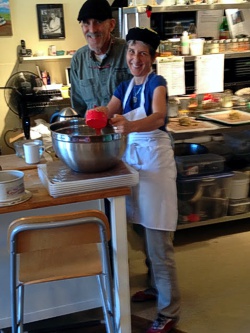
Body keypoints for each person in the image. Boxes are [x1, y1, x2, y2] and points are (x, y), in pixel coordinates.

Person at [86, 27, 181, 333]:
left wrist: (129, 127)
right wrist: (96, 113)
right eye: (131, 51)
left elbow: (157, 117)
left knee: (158, 240)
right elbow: (109, 110)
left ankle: (169, 311)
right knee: (142, 230)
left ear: (152, 57)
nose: (135, 59)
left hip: (156, 166)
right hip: (137, 165)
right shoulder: (125, 87)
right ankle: (155, 288)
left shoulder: (157, 83)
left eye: (142, 53)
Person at [70, 0, 132, 117]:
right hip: (94, 133)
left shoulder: (129, 52)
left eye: (98, 22)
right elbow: (79, 108)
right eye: (86, 23)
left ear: (112, 25)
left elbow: (144, 97)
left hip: (128, 132)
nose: (92, 30)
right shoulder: (78, 60)